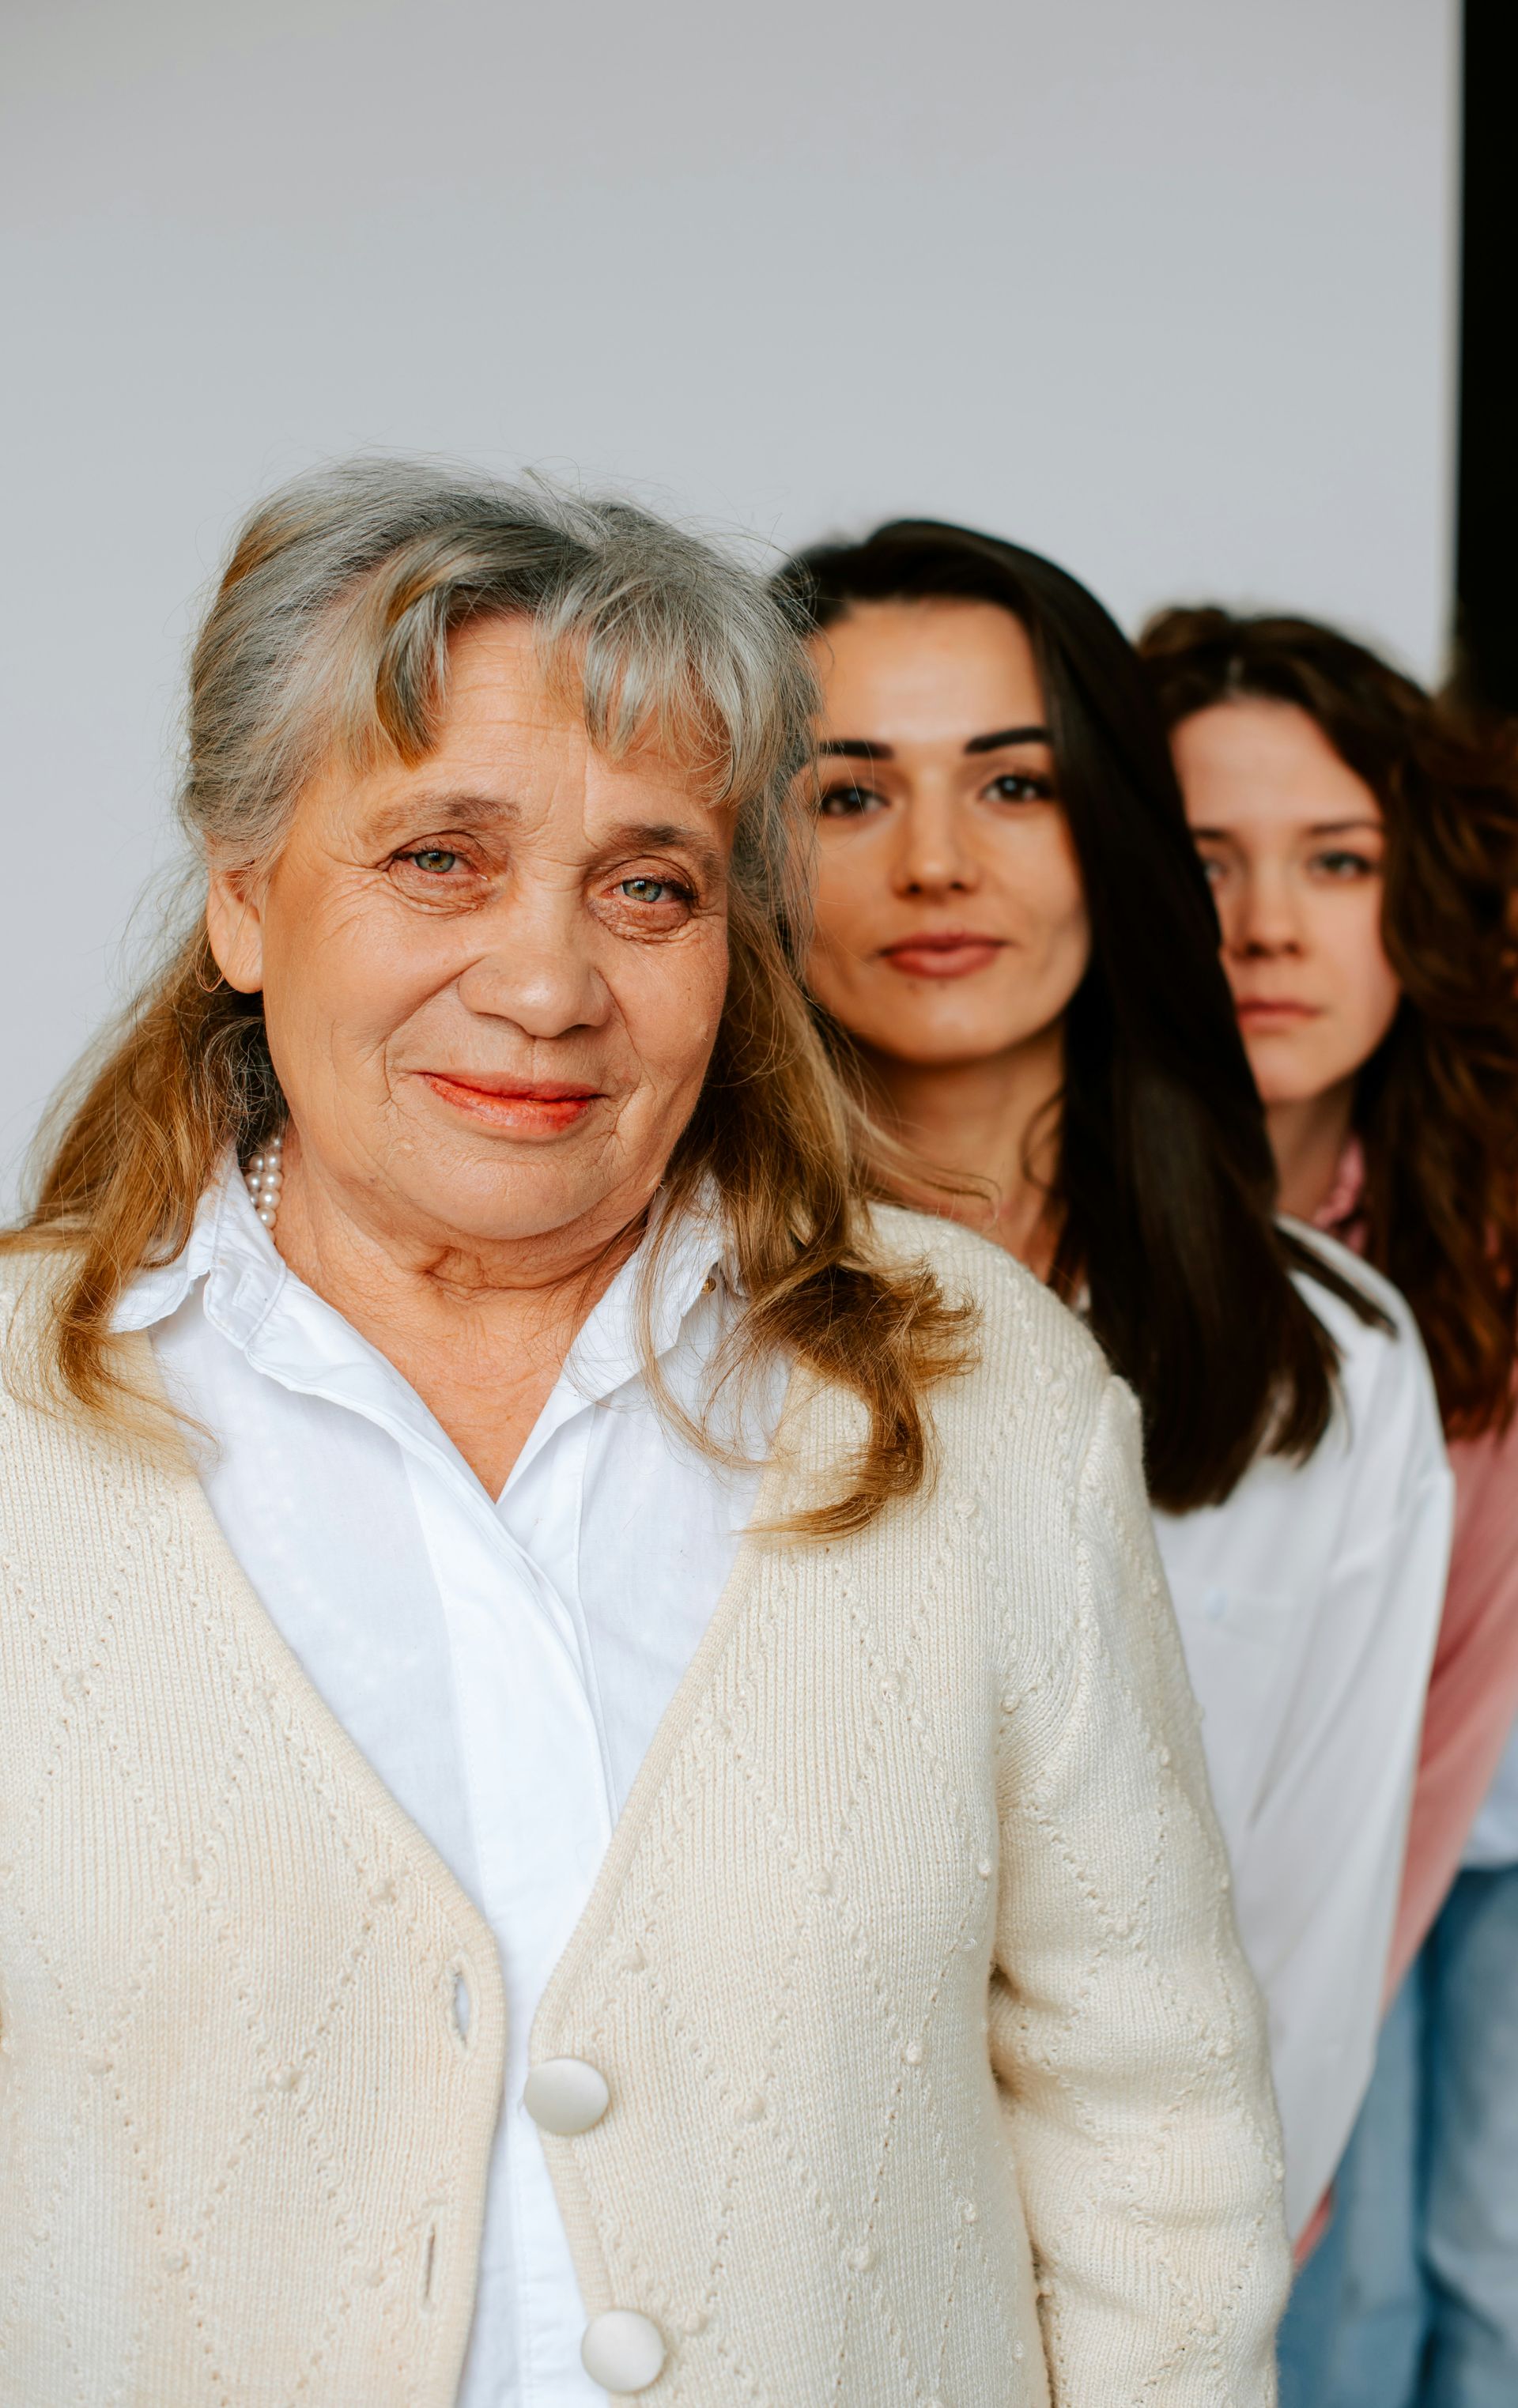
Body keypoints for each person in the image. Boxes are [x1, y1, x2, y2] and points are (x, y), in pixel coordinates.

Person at [0, 461, 1288, 2408]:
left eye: (650, 884)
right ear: (246, 898)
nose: (545, 982)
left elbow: (1158, 2145)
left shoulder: (982, 1392)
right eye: (440, 856)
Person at [775, 519, 1453, 2251]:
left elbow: (1291, 1954)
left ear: (1115, 828)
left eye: (1014, 786)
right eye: (850, 794)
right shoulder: (644, 1311)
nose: (937, 861)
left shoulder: (1334, 1359)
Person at [1143, 605, 1518, 2408]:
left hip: (1430, 1838)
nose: (1268, 924)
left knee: (1464, 2269)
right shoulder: (1046, 1227)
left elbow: (1432, 1742)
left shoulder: (1468, 1262)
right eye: (1205, 861)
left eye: (1337, 859)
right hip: (1166, 1902)